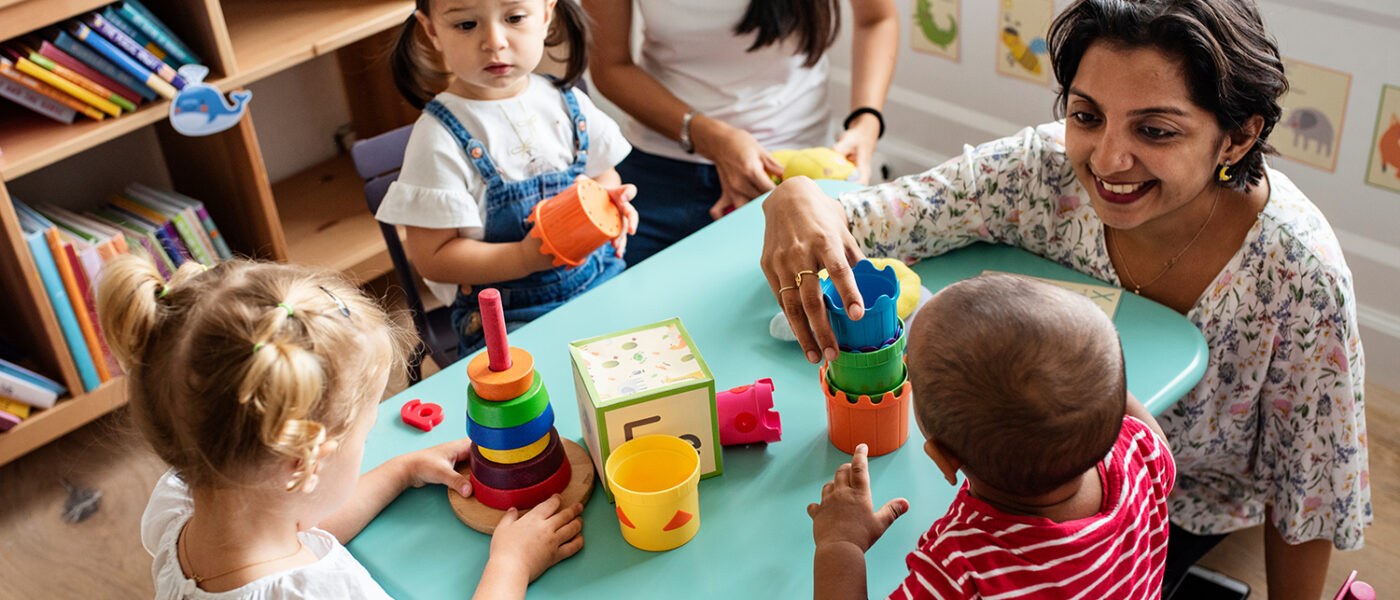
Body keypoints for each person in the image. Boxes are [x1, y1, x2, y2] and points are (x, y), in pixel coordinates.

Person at [762, 1, 1369, 598]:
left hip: (1184, 506)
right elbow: (879, 218)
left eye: (1154, 130)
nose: (1106, 160)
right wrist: (799, 198)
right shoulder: (1037, 173)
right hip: (1022, 479)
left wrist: (840, 552)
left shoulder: (1299, 272)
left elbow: (1308, 489)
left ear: (1238, 138)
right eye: (1085, 115)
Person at [97, 257, 584, 598]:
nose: (368, 442)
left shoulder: (181, 504)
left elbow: (298, 524)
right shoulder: (320, 592)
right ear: (303, 462)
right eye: (366, 433)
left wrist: (400, 470)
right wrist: (511, 567)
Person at [808, 273, 1176, 599]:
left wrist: (841, 545)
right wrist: (1081, 370)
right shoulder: (1140, 456)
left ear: (943, 458)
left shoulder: (962, 571)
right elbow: (1123, 410)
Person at [381, 0, 640, 357]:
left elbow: (602, 174)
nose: (495, 41)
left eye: (515, 18)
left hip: (601, 278)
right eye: (467, 25)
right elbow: (433, 258)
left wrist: (612, 202)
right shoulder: (437, 138)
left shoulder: (566, 101)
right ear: (431, 31)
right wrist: (524, 257)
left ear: (547, 14)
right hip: (509, 316)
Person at [584, 0, 898, 266]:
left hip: (797, 171)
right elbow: (610, 65)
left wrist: (866, 123)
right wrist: (710, 137)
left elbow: (877, 19)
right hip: (661, 170)